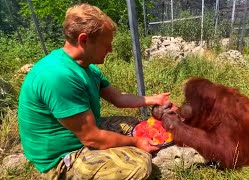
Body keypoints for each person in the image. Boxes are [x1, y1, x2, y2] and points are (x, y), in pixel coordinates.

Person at [18, 3, 170, 180]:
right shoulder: (58, 76)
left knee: (133, 124)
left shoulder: (86, 67)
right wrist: (136, 143)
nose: (111, 50)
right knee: (139, 165)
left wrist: (155, 99)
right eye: (106, 44)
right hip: (61, 156)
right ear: (84, 40)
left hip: (81, 134)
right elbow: (91, 138)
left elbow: (118, 98)